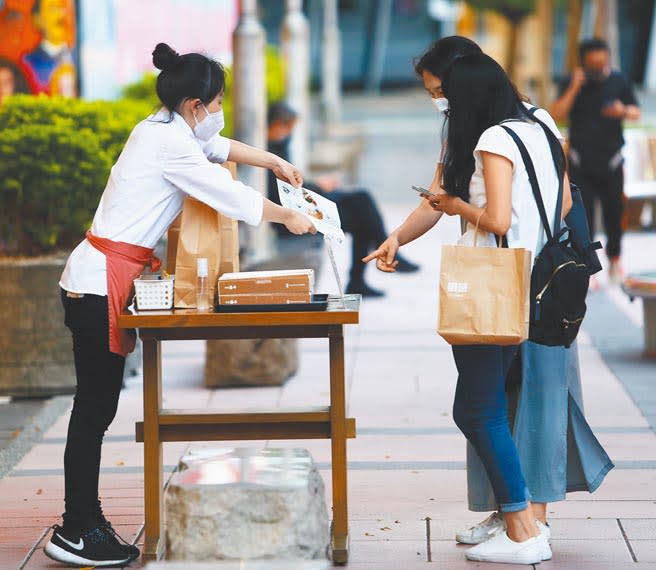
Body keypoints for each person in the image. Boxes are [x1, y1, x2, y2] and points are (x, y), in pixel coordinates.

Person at [45, 43, 315, 568]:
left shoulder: (163, 129)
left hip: (102, 278)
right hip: (99, 282)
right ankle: (78, 528)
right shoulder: (170, 145)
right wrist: (289, 219)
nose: (218, 114)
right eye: (215, 105)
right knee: (94, 409)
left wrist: (273, 161)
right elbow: (222, 190)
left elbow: (218, 149)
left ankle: (84, 520)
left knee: (96, 407)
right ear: (195, 105)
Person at [366, 52, 573, 564]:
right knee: (484, 406)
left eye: (446, 94)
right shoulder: (538, 128)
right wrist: (402, 234)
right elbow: (563, 204)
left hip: (491, 284)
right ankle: (519, 520)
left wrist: (457, 208)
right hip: (531, 280)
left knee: (477, 408)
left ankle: (524, 530)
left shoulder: (492, 139)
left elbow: (497, 219)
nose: (442, 104)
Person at [266, 101, 419, 298]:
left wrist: (316, 186)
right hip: (291, 218)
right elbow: (278, 192)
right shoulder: (267, 152)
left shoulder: (277, 147)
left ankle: (368, 270)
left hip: (302, 207)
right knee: (362, 207)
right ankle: (381, 255)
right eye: (287, 128)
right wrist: (319, 186)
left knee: (361, 206)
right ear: (276, 125)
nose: (289, 134)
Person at [550, 37, 641, 284]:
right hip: (581, 162)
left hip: (612, 161)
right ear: (583, 63)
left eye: (603, 63)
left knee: (614, 213)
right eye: (593, 65)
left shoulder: (619, 80)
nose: (599, 69)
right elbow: (556, 114)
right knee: (583, 218)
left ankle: (614, 259)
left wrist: (621, 111)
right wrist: (574, 88)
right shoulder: (572, 82)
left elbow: (636, 112)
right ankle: (587, 265)